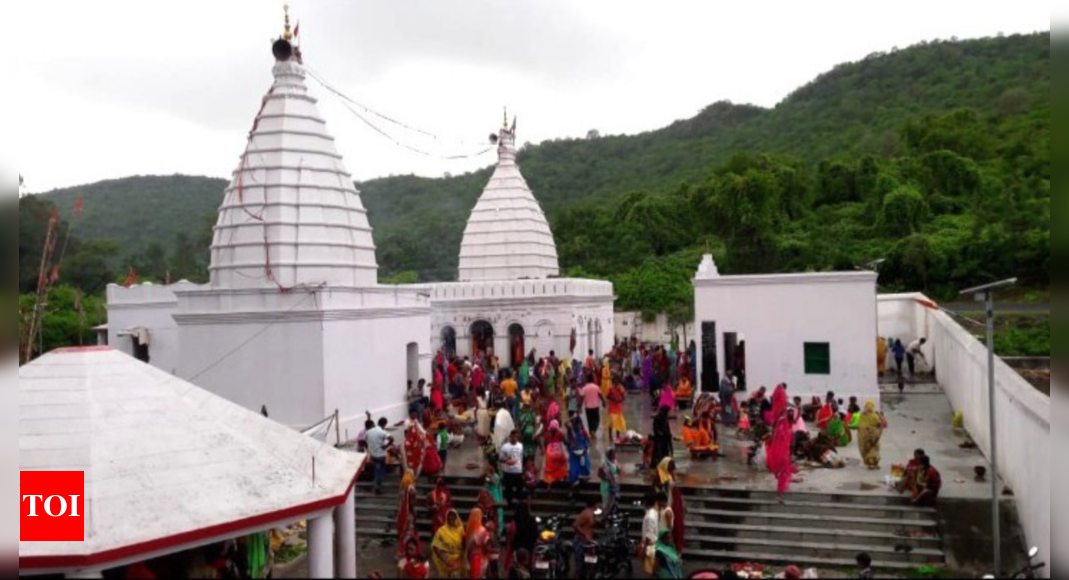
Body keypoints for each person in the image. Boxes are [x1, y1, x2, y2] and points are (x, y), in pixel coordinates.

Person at [766, 385, 795, 504]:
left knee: (783, 469)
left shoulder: (782, 421)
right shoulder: (781, 421)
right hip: (781, 449)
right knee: (783, 469)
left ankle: (780, 491)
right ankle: (779, 494)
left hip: (783, 449)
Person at [431, 510, 466, 579]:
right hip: (445, 559)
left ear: (457, 518)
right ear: (447, 518)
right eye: (449, 517)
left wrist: (461, 558)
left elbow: (464, 544)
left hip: (458, 560)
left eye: (453, 517)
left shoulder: (461, 530)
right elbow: (435, 546)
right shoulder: (441, 531)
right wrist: (445, 560)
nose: (451, 519)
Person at [857, 401, 886, 470]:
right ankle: (872, 464)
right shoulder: (875, 416)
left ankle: (869, 463)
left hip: (863, 437)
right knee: (873, 450)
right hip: (873, 436)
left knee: (866, 450)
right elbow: (879, 425)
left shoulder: (862, 415)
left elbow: (860, 426)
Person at [397, 470, 419, 558]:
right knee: (409, 533)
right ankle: (406, 552)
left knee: (404, 533)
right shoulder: (411, 489)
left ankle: (402, 551)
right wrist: (414, 512)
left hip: (401, 514)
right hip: (408, 514)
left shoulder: (401, 487)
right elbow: (412, 503)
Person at [366, 418, 392, 495]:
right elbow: (392, 439)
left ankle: (378, 485)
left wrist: (369, 447)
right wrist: (386, 446)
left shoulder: (369, 432)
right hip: (381, 455)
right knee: (379, 471)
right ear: (384, 424)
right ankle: (377, 487)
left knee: (377, 470)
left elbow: (363, 440)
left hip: (373, 455)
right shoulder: (382, 432)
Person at [573, 498, 598, 576]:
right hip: (581, 541)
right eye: (597, 504)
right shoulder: (587, 513)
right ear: (594, 505)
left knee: (587, 565)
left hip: (588, 542)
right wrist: (584, 535)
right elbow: (575, 525)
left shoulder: (591, 513)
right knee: (580, 566)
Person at [500, 430, 525, 505]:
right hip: (508, 471)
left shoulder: (520, 446)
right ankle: (509, 502)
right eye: (513, 436)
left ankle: (519, 503)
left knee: (519, 489)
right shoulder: (505, 447)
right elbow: (500, 458)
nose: (515, 438)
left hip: (518, 470)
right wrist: (507, 460)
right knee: (509, 489)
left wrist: (522, 468)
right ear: (510, 437)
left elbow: (521, 457)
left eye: (516, 436)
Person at [466, 508, 492, 580]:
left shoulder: (468, 530)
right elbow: (488, 545)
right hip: (480, 557)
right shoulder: (482, 530)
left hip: (471, 556)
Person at [567, 416, 593, 486]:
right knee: (574, 469)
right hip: (574, 453)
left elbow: (590, 441)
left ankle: (583, 479)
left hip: (583, 452)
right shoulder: (571, 431)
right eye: (576, 424)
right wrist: (572, 417)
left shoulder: (584, 432)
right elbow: (566, 423)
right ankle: (574, 482)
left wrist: (586, 447)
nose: (578, 426)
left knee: (584, 466)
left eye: (579, 424)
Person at [542, 421, 569, 486]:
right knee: (563, 463)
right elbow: (566, 442)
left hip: (550, 452)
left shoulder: (547, 434)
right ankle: (564, 478)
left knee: (549, 467)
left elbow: (545, 444)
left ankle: (549, 484)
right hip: (558, 452)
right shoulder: (560, 433)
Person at [641, 494, 661, 575]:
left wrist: (644, 549)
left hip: (650, 547)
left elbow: (649, 535)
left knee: (649, 572)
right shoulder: (654, 513)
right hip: (655, 544)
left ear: (646, 503)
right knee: (653, 571)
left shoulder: (649, 516)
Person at [404, 412, 428, 477]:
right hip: (411, 445)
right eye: (413, 414)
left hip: (416, 444)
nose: (415, 415)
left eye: (415, 414)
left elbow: (420, 428)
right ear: (410, 414)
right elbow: (406, 432)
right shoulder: (407, 422)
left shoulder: (415, 420)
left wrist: (425, 433)